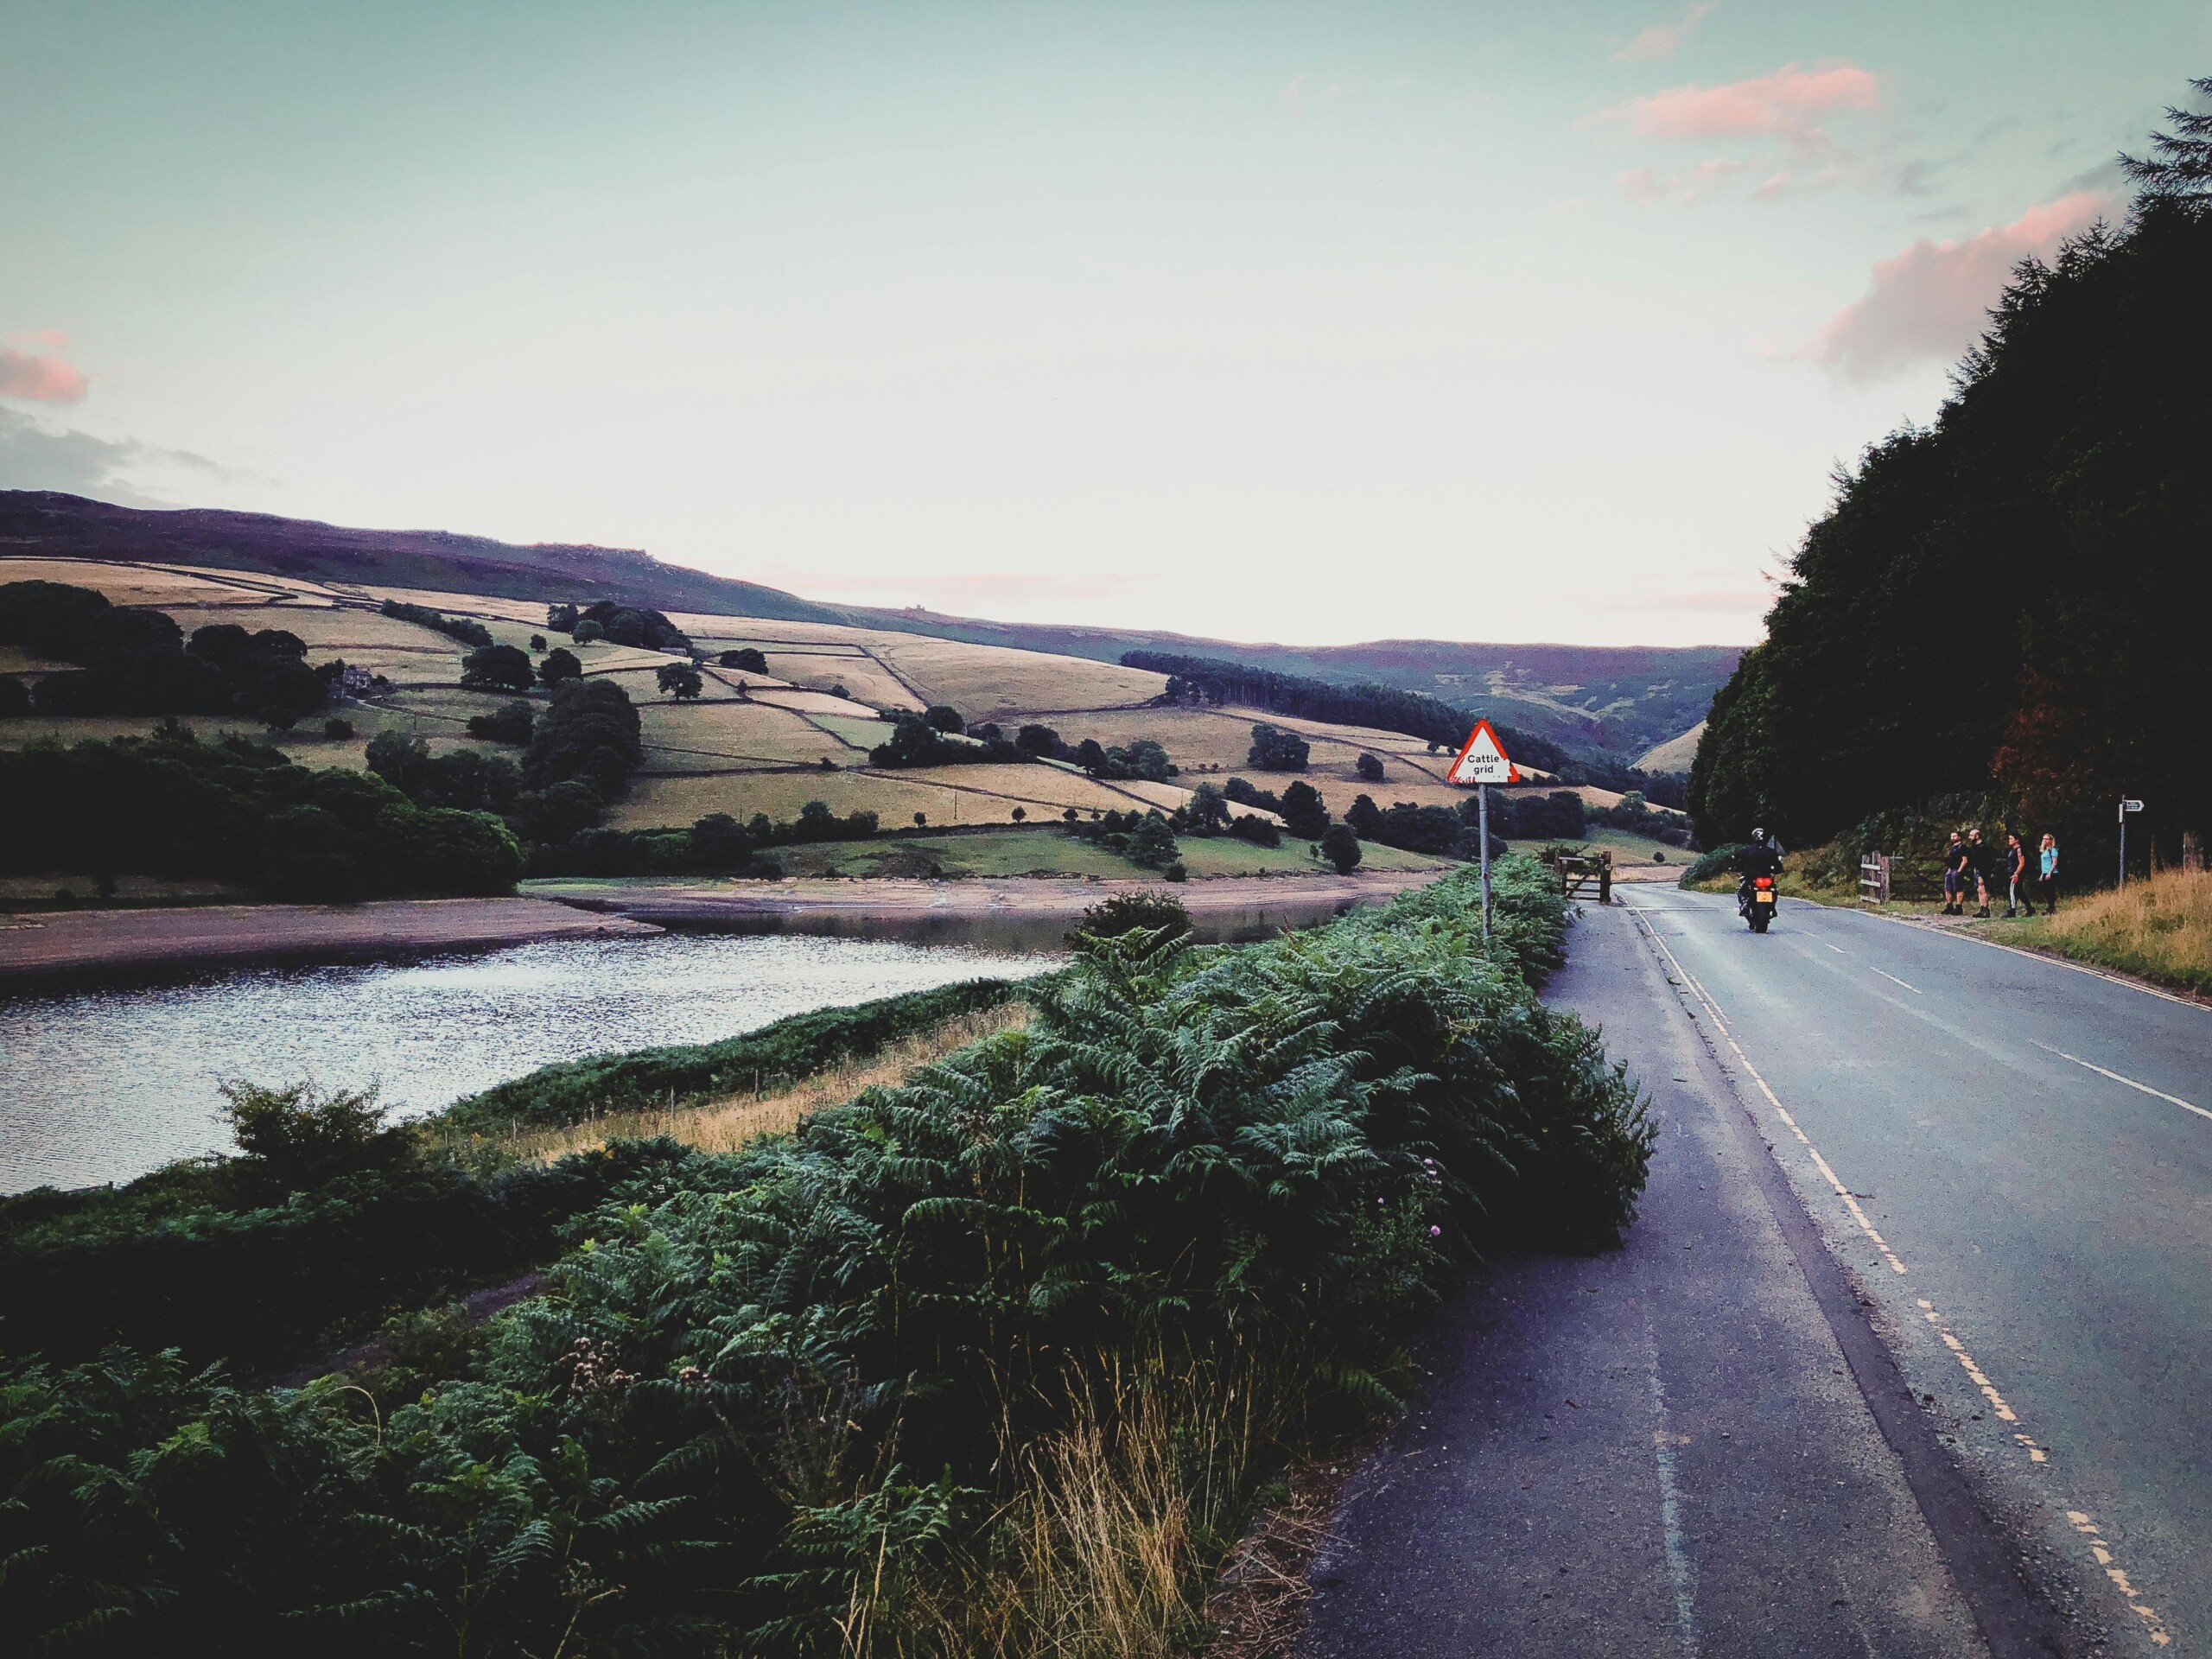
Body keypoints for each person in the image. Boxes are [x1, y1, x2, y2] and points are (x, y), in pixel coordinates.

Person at [1737, 826, 1783, 915]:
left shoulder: (1747, 851)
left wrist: (1737, 869)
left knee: (1741, 891)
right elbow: (1778, 866)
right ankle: (1772, 907)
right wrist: (1778, 870)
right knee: (1774, 891)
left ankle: (1745, 904)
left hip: (1751, 877)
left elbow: (1739, 864)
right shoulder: (1771, 851)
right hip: (1767, 877)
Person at [2003, 832, 2035, 917]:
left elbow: (2022, 862)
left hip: (2016, 874)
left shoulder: (2019, 849)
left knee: (2012, 892)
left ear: (2017, 840)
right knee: (2019, 892)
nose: (2009, 840)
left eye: (2011, 839)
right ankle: (2030, 908)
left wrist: (2016, 874)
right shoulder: (2013, 850)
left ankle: (2012, 911)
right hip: (2013, 873)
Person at [1965, 827, 1992, 918]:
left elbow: (1985, 861)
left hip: (1983, 871)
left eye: (1971, 835)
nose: (1970, 837)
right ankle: (1982, 908)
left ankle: (1985, 909)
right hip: (1977, 870)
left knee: (1982, 889)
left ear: (1977, 836)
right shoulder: (1974, 847)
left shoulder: (1983, 847)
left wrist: (1981, 875)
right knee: (1979, 890)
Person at [1942, 831, 1971, 916]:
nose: (1952, 838)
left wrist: (1959, 871)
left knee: (1958, 889)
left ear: (1959, 837)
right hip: (1950, 869)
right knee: (1947, 889)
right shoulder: (1952, 848)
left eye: (1954, 836)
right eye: (1951, 836)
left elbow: (1965, 860)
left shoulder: (1963, 847)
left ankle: (1959, 907)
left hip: (1957, 870)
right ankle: (1949, 906)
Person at [2039, 833, 2060, 913]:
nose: (2045, 840)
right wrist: (2042, 874)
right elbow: (2044, 863)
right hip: (2045, 872)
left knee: (2050, 890)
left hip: (2052, 873)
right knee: (2045, 891)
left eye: (2047, 839)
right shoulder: (2045, 851)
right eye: (2044, 839)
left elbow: (2055, 862)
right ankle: (2050, 907)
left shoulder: (2053, 850)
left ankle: (2052, 908)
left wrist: (2049, 873)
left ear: (2051, 840)